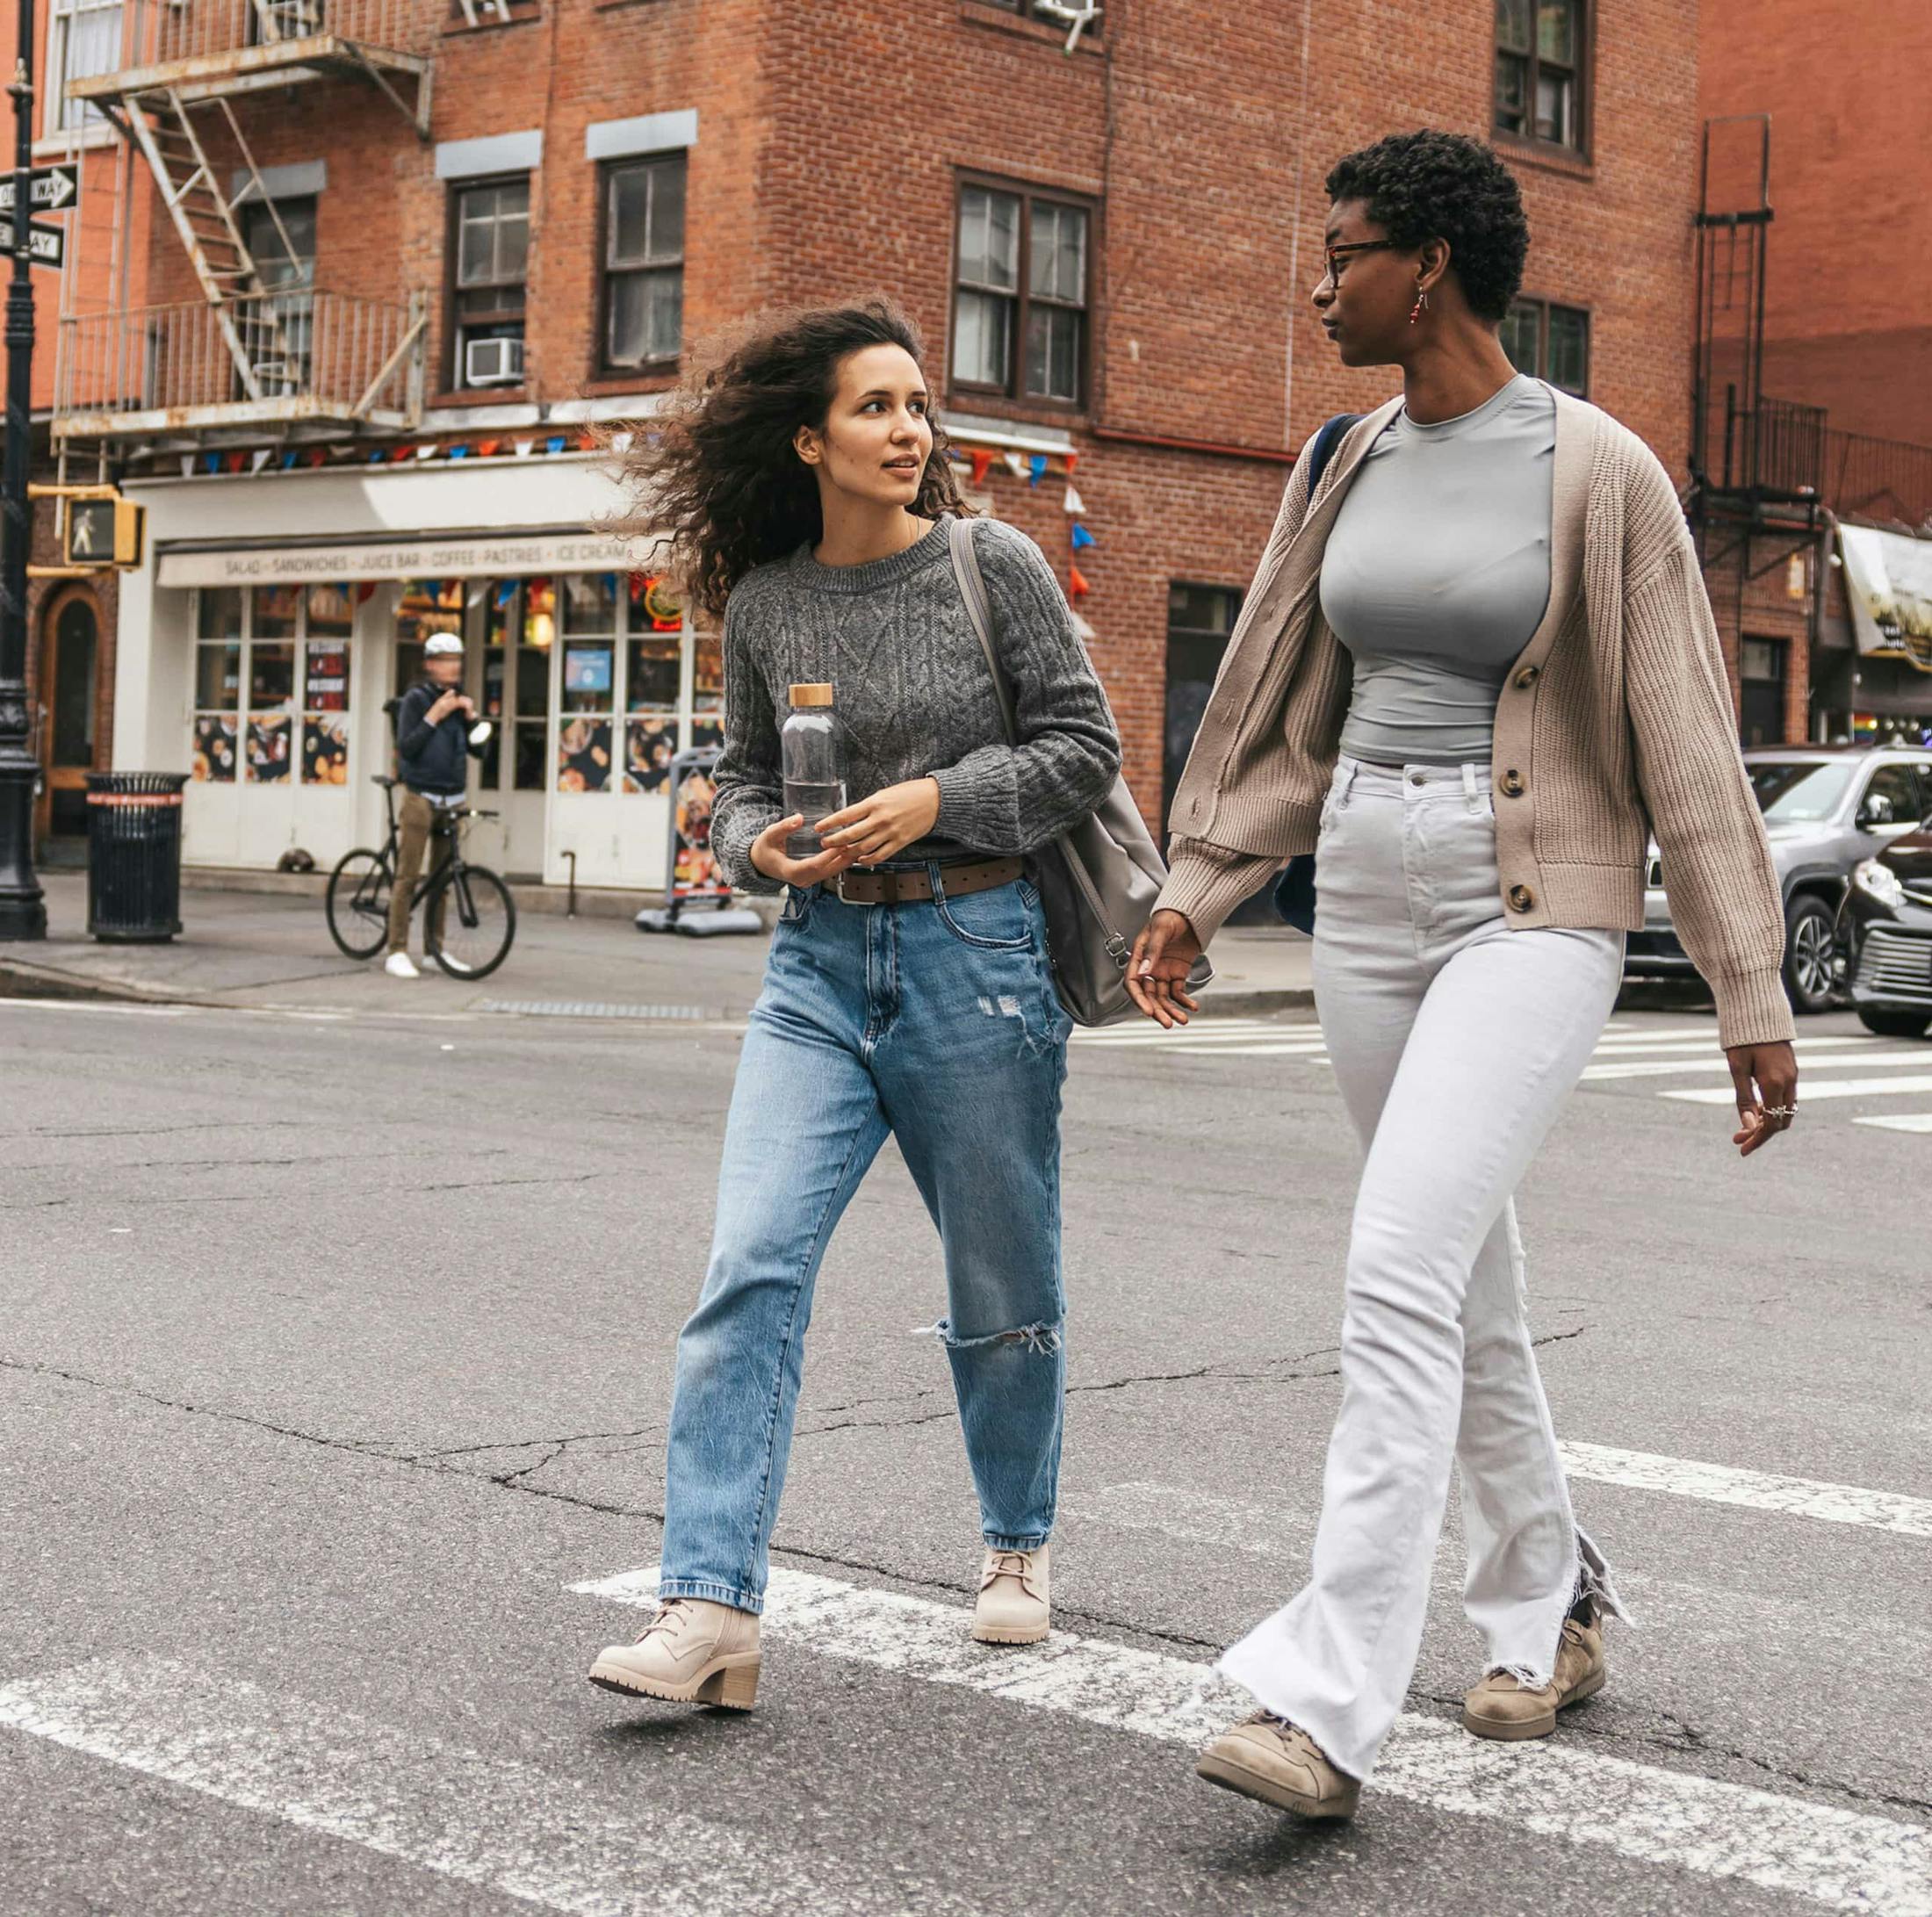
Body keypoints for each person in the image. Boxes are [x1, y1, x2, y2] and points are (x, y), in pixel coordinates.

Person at [1129, 130, 1799, 1820]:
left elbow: (1688, 742)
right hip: (1358, 884)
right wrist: (1199, 887)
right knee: (1459, 1285)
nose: (1320, 276)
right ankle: (1553, 1598)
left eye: (1341, 248)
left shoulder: (1600, 469)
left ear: (1426, 263)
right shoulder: (1338, 460)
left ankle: (1324, 1700)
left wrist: (1747, 982)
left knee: (1395, 1276)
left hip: (1533, 904)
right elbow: (1281, 701)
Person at [587, 299, 1120, 1711]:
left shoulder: (992, 565)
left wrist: (942, 797)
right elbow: (744, 779)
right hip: (817, 965)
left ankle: (1014, 1541)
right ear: (810, 438)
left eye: (915, 406)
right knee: (748, 1266)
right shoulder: (765, 601)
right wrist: (754, 844)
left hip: (978, 953)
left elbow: (1083, 746)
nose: (908, 431)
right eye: (875, 408)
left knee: (998, 1286)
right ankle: (710, 1606)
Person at [386, 632, 480, 979]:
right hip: (420, 795)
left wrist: (471, 718)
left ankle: (433, 948)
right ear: (429, 665)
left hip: (452, 797)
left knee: (442, 879)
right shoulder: (415, 699)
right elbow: (407, 747)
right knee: (408, 875)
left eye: (456, 660)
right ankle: (396, 949)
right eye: (444, 660)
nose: (452, 667)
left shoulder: (459, 700)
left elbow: (481, 750)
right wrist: (434, 715)